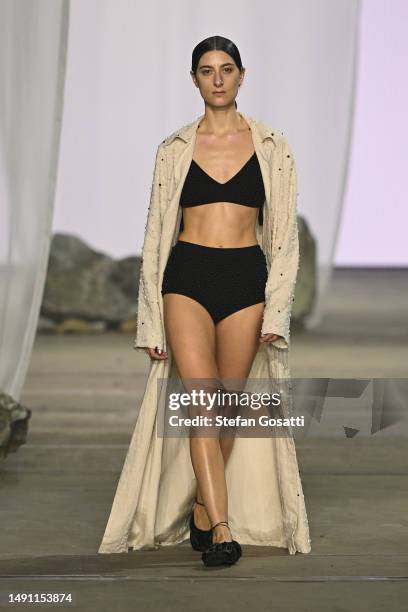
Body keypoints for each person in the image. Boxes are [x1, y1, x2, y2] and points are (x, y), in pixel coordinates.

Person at [98, 35, 311, 565]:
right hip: (187, 276)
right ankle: (221, 528)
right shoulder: (173, 148)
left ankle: (199, 506)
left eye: (227, 69)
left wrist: (277, 308)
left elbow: (283, 235)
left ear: (242, 76)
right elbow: (155, 235)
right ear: (193, 79)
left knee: (229, 408)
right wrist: (150, 321)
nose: (217, 79)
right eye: (206, 70)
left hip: (245, 280)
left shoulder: (272, 146)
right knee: (201, 405)